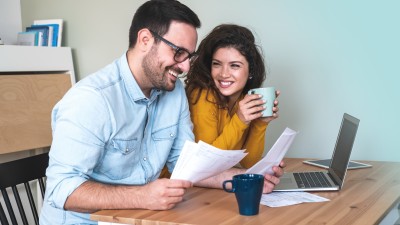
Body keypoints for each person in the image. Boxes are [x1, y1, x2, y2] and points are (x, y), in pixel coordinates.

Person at [39, 1, 283, 224]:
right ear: (145, 40)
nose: (185, 67)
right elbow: (61, 188)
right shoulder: (92, 99)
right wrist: (140, 197)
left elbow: (185, 166)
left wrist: (245, 182)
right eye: (178, 52)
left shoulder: (174, 93)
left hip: (144, 217)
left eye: (189, 56)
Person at [185, 24, 279, 168]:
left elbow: (249, 162)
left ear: (251, 71)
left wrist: (260, 123)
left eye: (234, 65)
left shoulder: (242, 98)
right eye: (217, 64)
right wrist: (240, 120)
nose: (223, 74)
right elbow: (205, 163)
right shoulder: (202, 95)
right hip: (179, 183)